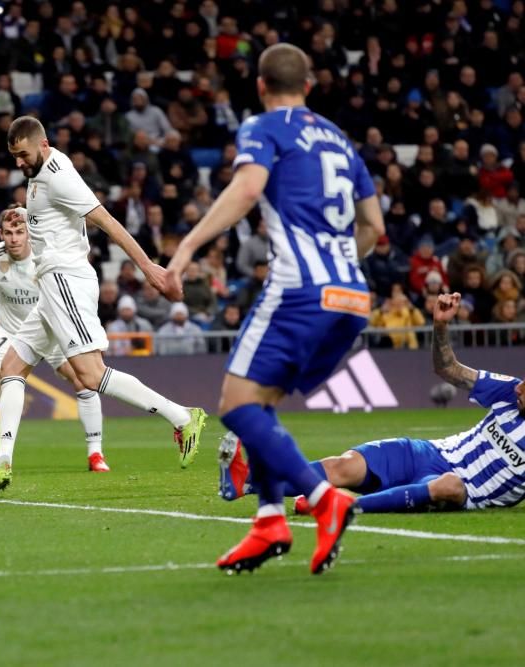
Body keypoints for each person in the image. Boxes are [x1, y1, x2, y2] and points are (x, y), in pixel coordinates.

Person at [164, 44, 385, 576]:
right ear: (309, 84)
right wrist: (335, 267)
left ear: (261, 86)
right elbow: (375, 227)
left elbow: (247, 188)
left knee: (237, 406)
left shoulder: (264, 127)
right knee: (258, 405)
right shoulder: (340, 138)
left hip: (299, 290)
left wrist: (188, 247)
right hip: (352, 297)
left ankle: (322, 497)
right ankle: (269, 522)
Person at [0, 115, 207, 492]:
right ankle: (2, 460)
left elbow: (106, 220)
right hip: (50, 284)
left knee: (90, 375)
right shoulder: (38, 176)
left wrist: (148, 268)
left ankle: (181, 416)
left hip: (66, 280)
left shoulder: (58, 175)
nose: (19, 163)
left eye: (23, 154)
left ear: (42, 145)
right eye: (14, 156)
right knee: (11, 367)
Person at [219, 293, 525, 514]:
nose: (520, 389)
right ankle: (244, 482)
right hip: (430, 453)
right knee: (345, 465)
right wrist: (440, 327)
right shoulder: (509, 390)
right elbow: (448, 369)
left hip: (462, 489)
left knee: (449, 486)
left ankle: (341, 506)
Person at [0, 207, 109, 472]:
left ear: (29, 232)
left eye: (20, 232)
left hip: (53, 330)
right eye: (8, 233)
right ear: (0, 233)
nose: (14, 239)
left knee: (86, 381)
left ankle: (95, 454)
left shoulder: (47, 253)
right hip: (11, 333)